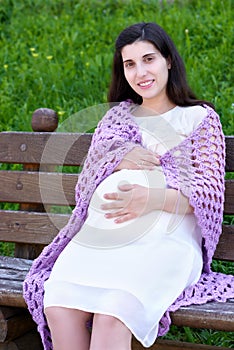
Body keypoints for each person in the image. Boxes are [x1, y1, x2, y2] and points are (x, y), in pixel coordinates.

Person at [23, 22, 234, 350]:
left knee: (113, 313)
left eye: (148, 59)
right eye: (130, 64)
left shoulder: (199, 119)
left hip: (166, 242)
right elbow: (87, 182)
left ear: (168, 61)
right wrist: (118, 158)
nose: (141, 72)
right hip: (102, 238)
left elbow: (208, 196)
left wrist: (150, 198)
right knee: (59, 302)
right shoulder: (117, 119)